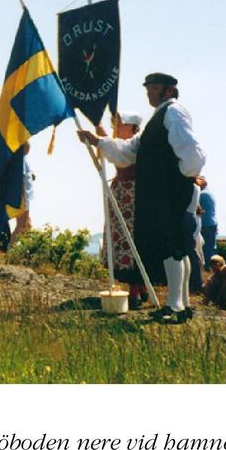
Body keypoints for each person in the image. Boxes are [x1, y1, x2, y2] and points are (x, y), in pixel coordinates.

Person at [79, 72, 205, 322]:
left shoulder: (173, 113)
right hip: (164, 192)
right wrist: (97, 141)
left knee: (173, 247)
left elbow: (193, 154)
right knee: (175, 246)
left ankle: (175, 306)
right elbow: (128, 152)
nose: (148, 92)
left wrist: (180, 177)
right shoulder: (158, 117)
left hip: (170, 191)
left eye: (153, 88)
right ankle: (182, 304)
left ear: (168, 91)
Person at [100, 111, 146, 308]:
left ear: (132, 127)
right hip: (122, 191)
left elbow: (118, 155)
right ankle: (139, 289)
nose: (116, 127)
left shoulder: (135, 144)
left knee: (132, 238)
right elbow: (107, 144)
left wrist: (97, 138)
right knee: (120, 237)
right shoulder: (120, 143)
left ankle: (136, 290)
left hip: (133, 192)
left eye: (121, 124)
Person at [197, 179, 218, 267]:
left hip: (205, 223)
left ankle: (209, 267)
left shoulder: (201, 194)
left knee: (205, 247)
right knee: (211, 247)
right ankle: (215, 266)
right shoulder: (210, 194)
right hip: (212, 222)